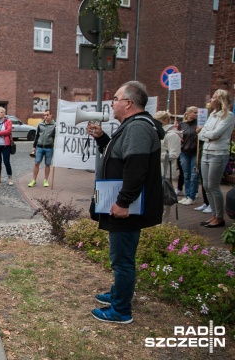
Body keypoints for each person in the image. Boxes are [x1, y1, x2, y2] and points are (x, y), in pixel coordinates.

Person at [87, 81, 165, 324]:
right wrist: (103, 139)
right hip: (123, 204)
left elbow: (135, 170)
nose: (112, 103)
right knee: (119, 255)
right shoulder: (131, 126)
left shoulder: (138, 128)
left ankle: (121, 310)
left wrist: (122, 203)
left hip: (126, 209)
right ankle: (118, 293)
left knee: (122, 259)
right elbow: (120, 157)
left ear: (128, 103)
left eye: (116, 98)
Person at [197, 89, 235, 228]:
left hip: (218, 153)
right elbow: (202, 135)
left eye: (213, 97)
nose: (210, 100)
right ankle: (213, 215)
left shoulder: (228, 116)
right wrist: (205, 133)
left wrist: (203, 132)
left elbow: (215, 134)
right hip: (206, 152)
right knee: (206, 186)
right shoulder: (212, 115)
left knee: (213, 185)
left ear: (220, 100)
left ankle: (219, 217)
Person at [154, 111, 181, 222]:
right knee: (157, 197)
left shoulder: (172, 135)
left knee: (165, 197)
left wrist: (156, 156)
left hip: (166, 170)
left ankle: (163, 223)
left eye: (158, 121)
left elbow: (174, 154)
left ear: (165, 120)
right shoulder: (161, 132)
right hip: (158, 169)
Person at [178, 106, 199, 205]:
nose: (196, 114)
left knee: (194, 175)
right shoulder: (182, 124)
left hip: (195, 152)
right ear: (188, 113)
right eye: (194, 112)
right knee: (186, 175)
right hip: (184, 152)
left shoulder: (198, 124)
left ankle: (192, 196)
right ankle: (187, 195)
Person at [29, 110, 56, 187]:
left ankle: (45, 180)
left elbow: (55, 137)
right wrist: (34, 147)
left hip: (49, 148)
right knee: (36, 163)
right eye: (44, 115)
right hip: (40, 147)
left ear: (51, 115)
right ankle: (33, 180)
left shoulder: (54, 125)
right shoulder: (40, 124)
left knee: (47, 164)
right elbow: (37, 136)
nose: (45, 116)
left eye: (47, 115)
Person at [0, 107, 14, 186]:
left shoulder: (8, 121)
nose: (0, 114)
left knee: (6, 161)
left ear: (4, 113)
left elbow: (8, 131)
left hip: (5, 145)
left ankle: (10, 178)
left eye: (1, 112)